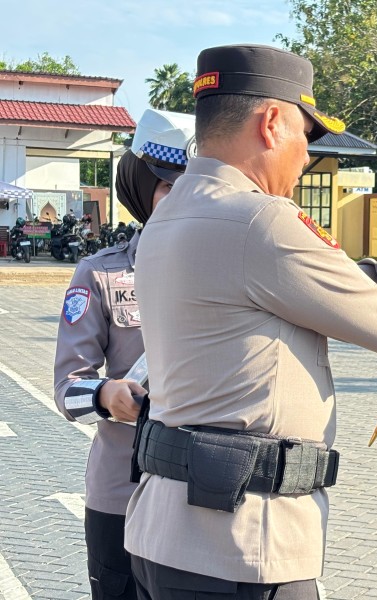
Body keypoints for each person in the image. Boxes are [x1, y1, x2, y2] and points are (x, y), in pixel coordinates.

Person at [124, 44, 377, 600]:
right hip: (244, 545)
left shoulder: (174, 212)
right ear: (272, 123)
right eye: (305, 136)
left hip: (168, 533)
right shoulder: (259, 219)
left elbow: (319, 283)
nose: (306, 158)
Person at [53, 108, 196, 600]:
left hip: (201, 499)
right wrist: (108, 393)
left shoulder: (229, 272)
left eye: (192, 187)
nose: (181, 201)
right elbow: (68, 389)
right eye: (166, 188)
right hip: (123, 494)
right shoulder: (100, 274)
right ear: (140, 189)